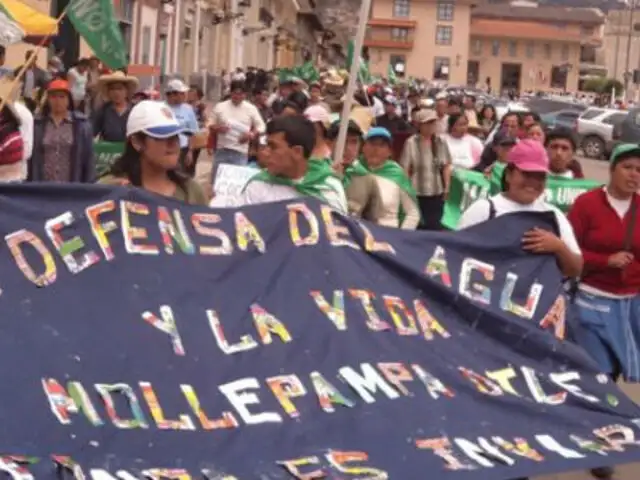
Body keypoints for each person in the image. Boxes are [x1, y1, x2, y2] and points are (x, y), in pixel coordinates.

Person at [567, 144, 639, 480]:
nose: (634, 175)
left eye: (639, 170)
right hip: (592, 301)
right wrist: (602, 261)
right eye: (628, 167)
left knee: (617, 373)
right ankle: (599, 442)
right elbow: (568, 249)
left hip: (632, 305)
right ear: (611, 169)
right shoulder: (587, 204)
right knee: (601, 374)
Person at [459, 139, 583, 278]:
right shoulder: (484, 210)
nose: (533, 181)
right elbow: (454, 254)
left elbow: (576, 269)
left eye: (540, 176)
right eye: (526, 174)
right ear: (509, 175)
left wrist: (559, 247)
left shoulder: (553, 215)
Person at [99, 100, 207, 205]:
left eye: (176, 136)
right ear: (137, 142)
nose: (173, 143)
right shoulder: (107, 190)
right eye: (162, 136)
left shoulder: (193, 193)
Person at [239, 115, 347, 212]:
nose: (265, 153)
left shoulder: (328, 190)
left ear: (297, 152)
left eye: (273, 147)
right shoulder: (257, 185)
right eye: (266, 145)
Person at [29, 79, 94, 183]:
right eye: (53, 96)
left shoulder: (82, 125)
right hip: (43, 185)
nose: (58, 101)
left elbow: (88, 158)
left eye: (62, 96)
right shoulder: (37, 124)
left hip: (71, 185)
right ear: (48, 99)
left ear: (69, 99)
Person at [400, 109, 451, 230]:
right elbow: (405, 168)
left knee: (434, 226)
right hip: (416, 192)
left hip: (436, 191)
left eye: (433, 122)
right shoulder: (411, 143)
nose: (431, 126)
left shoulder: (441, 142)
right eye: (427, 123)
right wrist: (407, 191)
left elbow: (446, 166)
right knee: (417, 226)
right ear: (419, 125)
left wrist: (447, 187)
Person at [362, 126, 420, 230]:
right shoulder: (354, 171)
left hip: (388, 234)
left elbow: (412, 213)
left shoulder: (397, 174)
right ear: (363, 148)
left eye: (382, 145)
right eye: (372, 143)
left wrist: (399, 239)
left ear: (389, 151)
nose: (376, 149)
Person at [327, 119, 383, 222]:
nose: (348, 148)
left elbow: (374, 221)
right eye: (342, 141)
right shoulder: (318, 174)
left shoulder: (367, 180)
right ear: (329, 143)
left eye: (354, 142)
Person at [211, 79, 265, 181]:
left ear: (245, 95)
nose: (238, 97)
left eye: (241, 94)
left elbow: (261, 126)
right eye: (235, 93)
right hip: (222, 150)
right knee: (217, 182)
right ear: (230, 93)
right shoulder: (220, 106)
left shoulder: (251, 108)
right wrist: (217, 128)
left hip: (240, 152)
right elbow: (209, 123)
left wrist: (251, 135)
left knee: (236, 182)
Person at [92, 71, 138, 142]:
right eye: (112, 89)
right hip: (109, 151)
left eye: (120, 89)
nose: (116, 92)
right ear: (108, 92)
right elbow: (92, 132)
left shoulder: (135, 110)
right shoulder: (103, 110)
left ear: (126, 91)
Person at [165, 79, 199, 174]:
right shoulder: (161, 108)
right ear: (172, 94)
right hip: (165, 150)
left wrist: (190, 151)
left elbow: (192, 132)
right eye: (182, 93)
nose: (185, 95)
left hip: (183, 150)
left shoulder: (188, 109)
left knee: (181, 178)